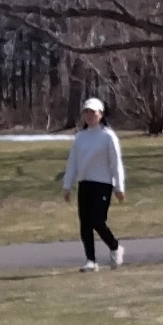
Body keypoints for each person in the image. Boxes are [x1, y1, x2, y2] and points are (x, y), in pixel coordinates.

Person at [62, 97, 126, 272]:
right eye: (87, 112)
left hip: (103, 184)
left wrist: (119, 187)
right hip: (85, 184)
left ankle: (114, 247)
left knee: (98, 220)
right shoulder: (80, 137)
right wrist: (67, 185)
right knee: (85, 223)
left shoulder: (108, 136)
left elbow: (116, 163)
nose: (90, 116)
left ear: (101, 114)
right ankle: (91, 260)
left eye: (93, 112)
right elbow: (72, 162)